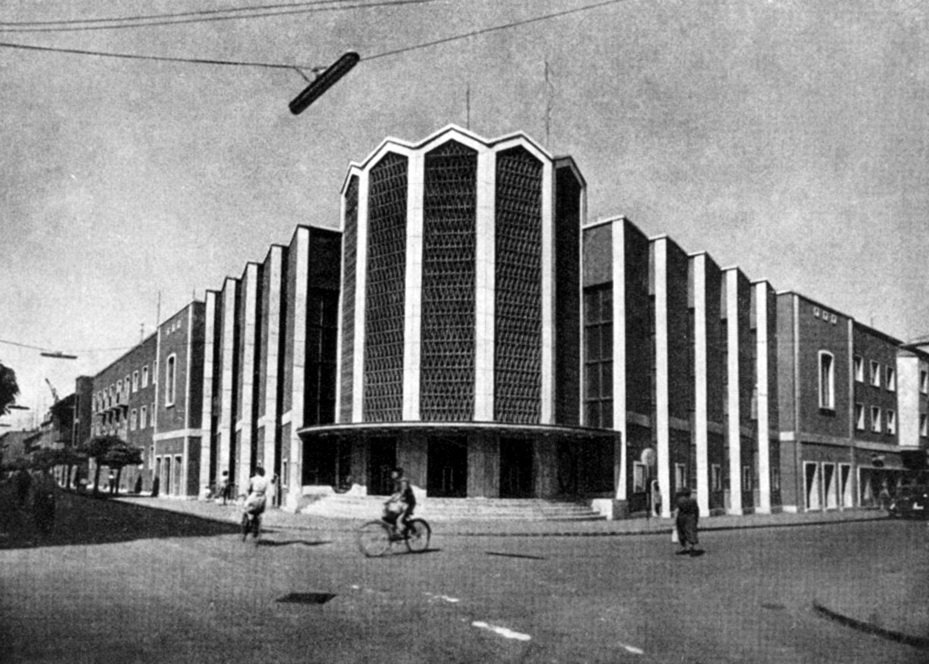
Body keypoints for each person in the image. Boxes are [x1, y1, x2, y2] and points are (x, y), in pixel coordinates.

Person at [384, 467, 416, 534]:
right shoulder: (397, 481)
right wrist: (390, 500)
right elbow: (396, 493)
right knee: (392, 516)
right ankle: (396, 532)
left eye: (393, 473)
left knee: (399, 520)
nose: (391, 474)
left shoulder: (403, 481)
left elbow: (402, 493)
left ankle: (407, 533)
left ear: (398, 474)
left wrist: (395, 499)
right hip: (403, 503)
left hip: (409, 503)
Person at [31, 468, 57, 536]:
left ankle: (48, 528)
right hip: (40, 497)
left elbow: (54, 487)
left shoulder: (51, 476)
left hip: (48, 497)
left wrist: (51, 494)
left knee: (49, 513)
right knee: (39, 513)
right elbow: (34, 486)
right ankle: (40, 528)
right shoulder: (36, 475)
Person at [674, 488, 700, 556]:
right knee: (690, 532)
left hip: (681, 517)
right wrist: (696, 518)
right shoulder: (693, 501)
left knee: (681, 532)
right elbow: (696, 510)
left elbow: (677, 509)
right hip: (691, 517)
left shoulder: (680, 500)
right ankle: (691, 547)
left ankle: (683, 546)